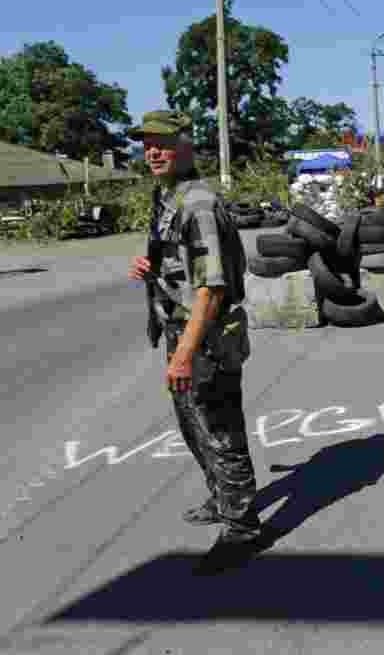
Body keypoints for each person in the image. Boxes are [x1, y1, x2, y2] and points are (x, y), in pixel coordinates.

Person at [127, 111, 261, 545]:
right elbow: (182, 264)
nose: (153, 151)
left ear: (186, 145)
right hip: (180, 329)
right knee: (192, 424)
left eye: (162, 142)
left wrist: (185, 353)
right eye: (147, 143)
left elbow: (212, 289)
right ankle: (221, 498)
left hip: (205, 336)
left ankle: (242, 528)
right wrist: (153, 267)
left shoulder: (198, 204)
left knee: (221, 430)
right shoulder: (167, 195)